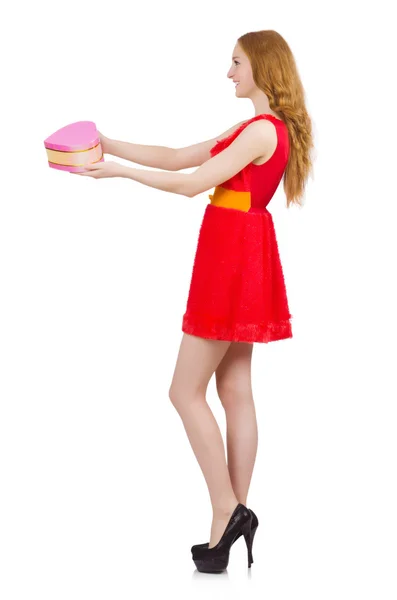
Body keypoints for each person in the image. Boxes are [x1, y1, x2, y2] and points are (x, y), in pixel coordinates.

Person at [74, 29, 314, 573]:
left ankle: (227, 509)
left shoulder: (260, 132)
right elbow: (180, 155)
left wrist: (119, 173)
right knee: (233, 388)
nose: (228, 73)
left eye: (236, 63)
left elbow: (190, 184)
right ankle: (228, 521)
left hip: (231, 257)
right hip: (243, 253)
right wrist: (110, 143)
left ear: (261, 67)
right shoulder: (259, 128)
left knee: (184, 391)